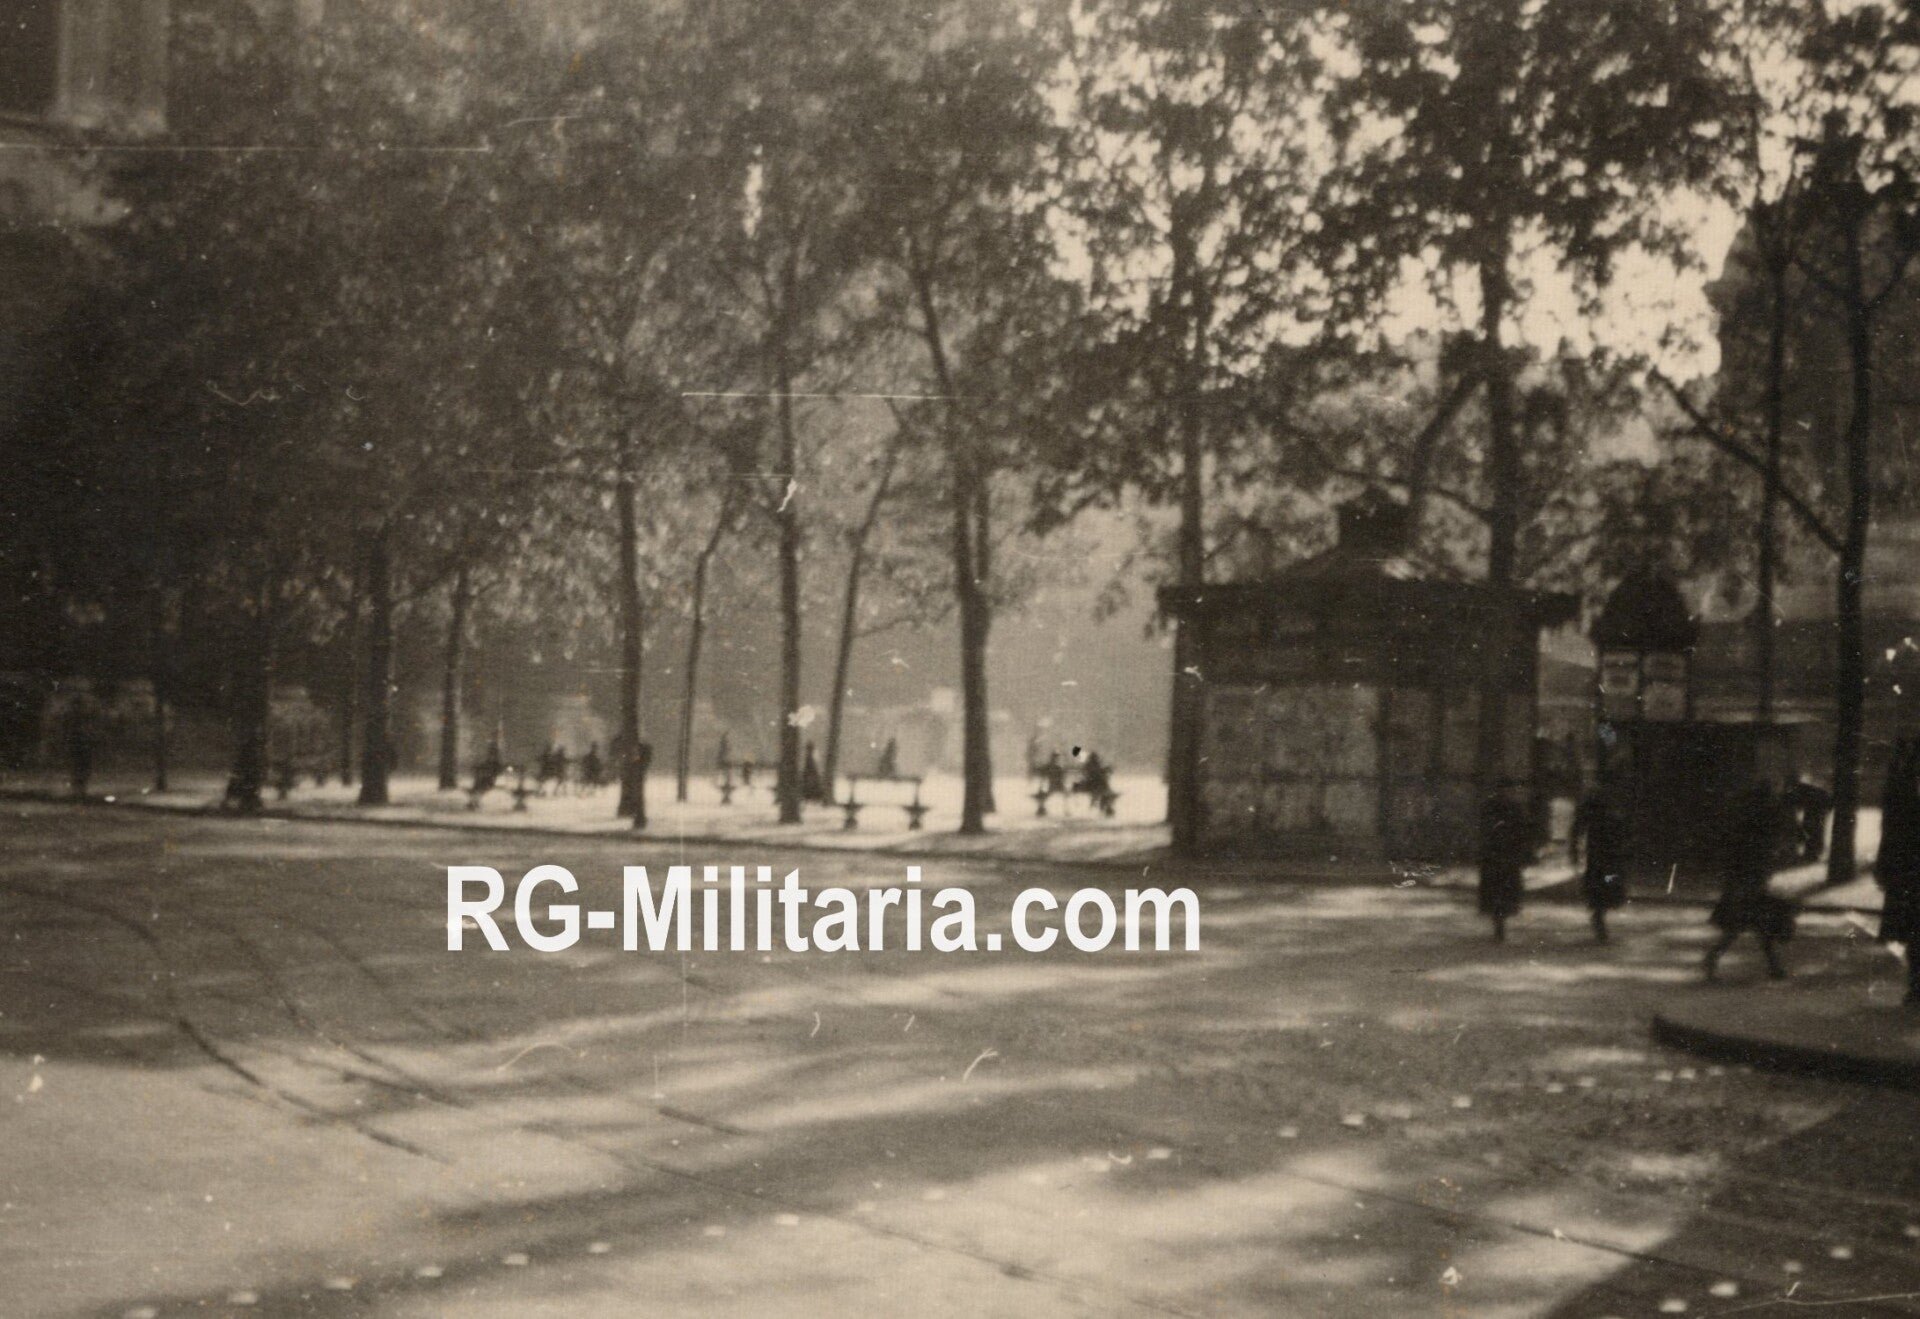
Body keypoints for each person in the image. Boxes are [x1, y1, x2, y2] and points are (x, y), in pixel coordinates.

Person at [1705, 777, 1795, 980]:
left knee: (1742, 926)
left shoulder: (1745, 822)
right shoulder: (1759, 827)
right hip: (1749, 880)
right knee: (1751, 925)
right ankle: (1773, 967)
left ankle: (1773, 966)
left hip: (1744, 880)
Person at [1875, 736, 1920, 1006]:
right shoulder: (1900, 791)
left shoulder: (1898, 789)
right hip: (1909, 871)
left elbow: (1889, 830)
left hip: (1906, 871)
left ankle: (1916, 985)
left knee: (1913, 931)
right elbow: (1891, 831)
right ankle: (1916, 985)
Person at [1478, 782, 1532, 942]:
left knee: (1500, 891)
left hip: (1503, 856)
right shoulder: (1508, 807)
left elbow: (1523, 832)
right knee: (1500, 890)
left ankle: (1499, 923)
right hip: (1501, 856)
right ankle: (1499, 924)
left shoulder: (1507, 807)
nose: (1505, 792)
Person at [1578, 789, 1628, 942]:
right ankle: (1599, 916)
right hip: (1606, 860)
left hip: (1602, 860)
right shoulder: (1611, 816)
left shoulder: (1597, 817)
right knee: (1606, 884)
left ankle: (1598, 914)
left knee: (1603, 886)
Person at [1783, 773, 1834, 864]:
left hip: (1817, 809)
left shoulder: (1800, 789)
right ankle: (1813, 852)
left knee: (1813, 830)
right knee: (1813, 830)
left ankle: (1813, 853)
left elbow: (1794, 802)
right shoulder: (1801, 788)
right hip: (1816, 810)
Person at [64, 695, 94, 800]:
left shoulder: (81, 717)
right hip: (78, 744)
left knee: (81, 768)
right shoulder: (77, 717)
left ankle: (79, 790)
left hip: (81, 744)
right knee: (79, 768)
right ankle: (79, 790)